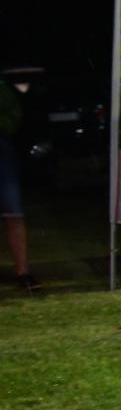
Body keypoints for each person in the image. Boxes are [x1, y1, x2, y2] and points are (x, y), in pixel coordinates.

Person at [0, 73, 37, 291]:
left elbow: (15, 117)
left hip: (3, 154)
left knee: (13, 213)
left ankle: (23, 272)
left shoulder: (3, 88)